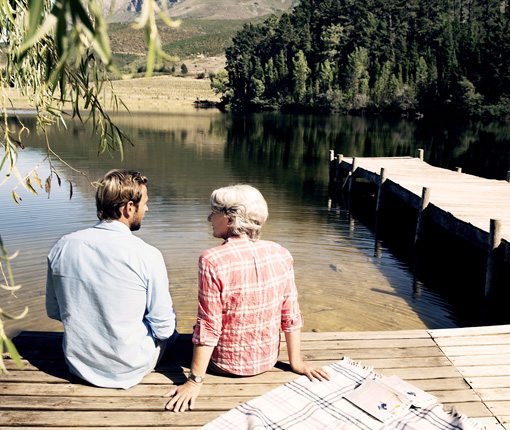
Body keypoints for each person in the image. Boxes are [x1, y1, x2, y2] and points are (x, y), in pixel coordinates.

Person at [164, 184, 330, 412]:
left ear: (230, 220)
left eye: (214, 212)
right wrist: (297, 363)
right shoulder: (281, 253)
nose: (209, 218)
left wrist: (194, 381)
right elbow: (290, 314)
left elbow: (209, 325)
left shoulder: (212, 260)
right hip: (266, 362)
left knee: (183, 335)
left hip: (223, 365)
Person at [46, 169, 177, 389]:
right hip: (129, 369)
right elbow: (163, 329)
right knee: (170, 325)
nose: (147, 208)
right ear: (129, 208)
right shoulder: (146, 254)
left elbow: (55, 311)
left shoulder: (63, 246)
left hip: (78, 366)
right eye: (144, 202)